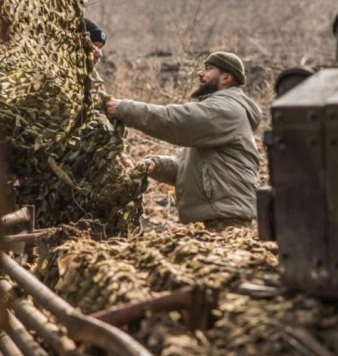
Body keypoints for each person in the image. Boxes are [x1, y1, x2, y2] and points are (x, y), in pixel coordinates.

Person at [104, 51, 262, 227]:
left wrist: (124, 109)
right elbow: (187, 167)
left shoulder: (228, 109)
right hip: (214, 217)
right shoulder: (215, 117)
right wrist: (155, 165)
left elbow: (175, 121)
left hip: (226, 220)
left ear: (226, 78)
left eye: (208, 69)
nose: (199, 73)